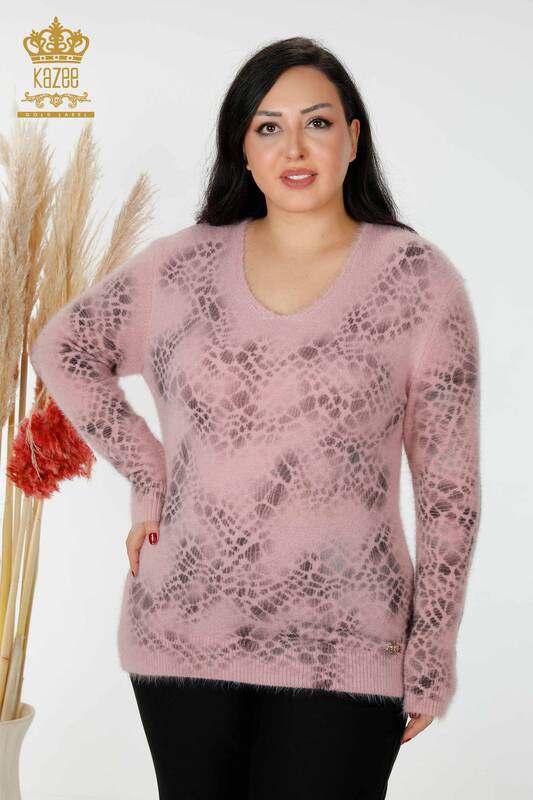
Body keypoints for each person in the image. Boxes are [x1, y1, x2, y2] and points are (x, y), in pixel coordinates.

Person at [30, 36, 481, 800]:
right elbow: (62, 347)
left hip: (348, 645)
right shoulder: (179, 266)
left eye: (317, 122)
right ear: (241, 146)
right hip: (182, 634)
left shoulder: (417, 282)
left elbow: (449, 494)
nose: (293, 148)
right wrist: (150, 478)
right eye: (268, 126)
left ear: (353, 139)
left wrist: (430, 654)